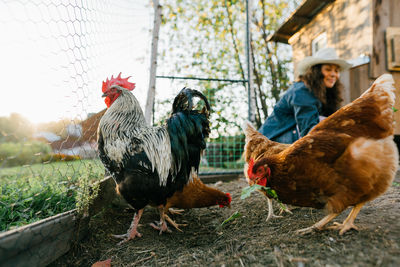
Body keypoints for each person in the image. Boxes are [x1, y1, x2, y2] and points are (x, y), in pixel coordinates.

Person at [259, 47, 352, 144]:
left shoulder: (324, 94)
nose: (333, 74)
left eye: (336, 71)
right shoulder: (301, 90)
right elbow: (309, 131)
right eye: (328, 69)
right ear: (316, 71)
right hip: (270, 142)